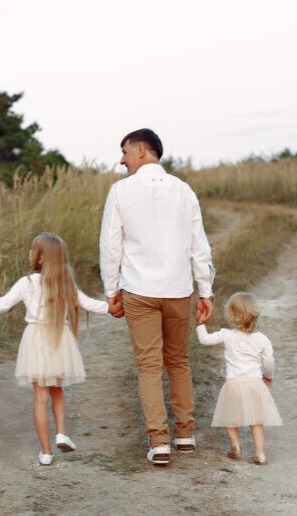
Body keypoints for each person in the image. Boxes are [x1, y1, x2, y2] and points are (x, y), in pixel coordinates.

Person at [99, 128, 216, 465]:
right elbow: (199, 247)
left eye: (124, 152)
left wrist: (111, 292)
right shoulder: (184, 191)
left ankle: (159, 442)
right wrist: (205, 291)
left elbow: (111, 246)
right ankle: (184, 434)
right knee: (178, 361)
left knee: (149, 366)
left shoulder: (120, 191)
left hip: (139, 290)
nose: (121, 160)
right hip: (178, 289)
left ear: (142, 150)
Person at [0, 232, 108, 465]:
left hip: (36, 339)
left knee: (41, 396)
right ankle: (61, 433)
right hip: (60, 338)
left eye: (32, 250)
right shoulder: (64, 282)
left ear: (39, 259)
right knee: (57, 390)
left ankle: (46, 452)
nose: (29, 253)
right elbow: (89, 304)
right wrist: (115, 307)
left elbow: (1, 305)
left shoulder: (27, 283)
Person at [196, 291, 282, 465]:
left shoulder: (227, 335)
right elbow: (269, 362)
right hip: (254, 384)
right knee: (256, 421)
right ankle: (260, 454)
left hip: (233, 383)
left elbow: (204, 340)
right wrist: (269, 376)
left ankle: (235, 445)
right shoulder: (262, 339)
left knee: (229, 416)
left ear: (231, 314)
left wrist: (201, 323)